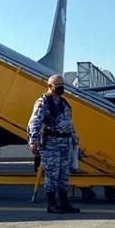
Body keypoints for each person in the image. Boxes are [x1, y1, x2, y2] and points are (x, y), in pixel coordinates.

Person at [28, 74, 79, 214]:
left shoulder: (64, 103)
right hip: (51, 144)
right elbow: (35, 122)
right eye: (58, 85)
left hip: (65, 143)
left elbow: (69, 123)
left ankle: (64, 203)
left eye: (62, 84)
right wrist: (34, 141)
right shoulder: (43, 102)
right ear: (49, 86)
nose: (61, 87)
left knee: (64, 174)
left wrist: (74, 139)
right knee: (52, 174)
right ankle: (51, 204)